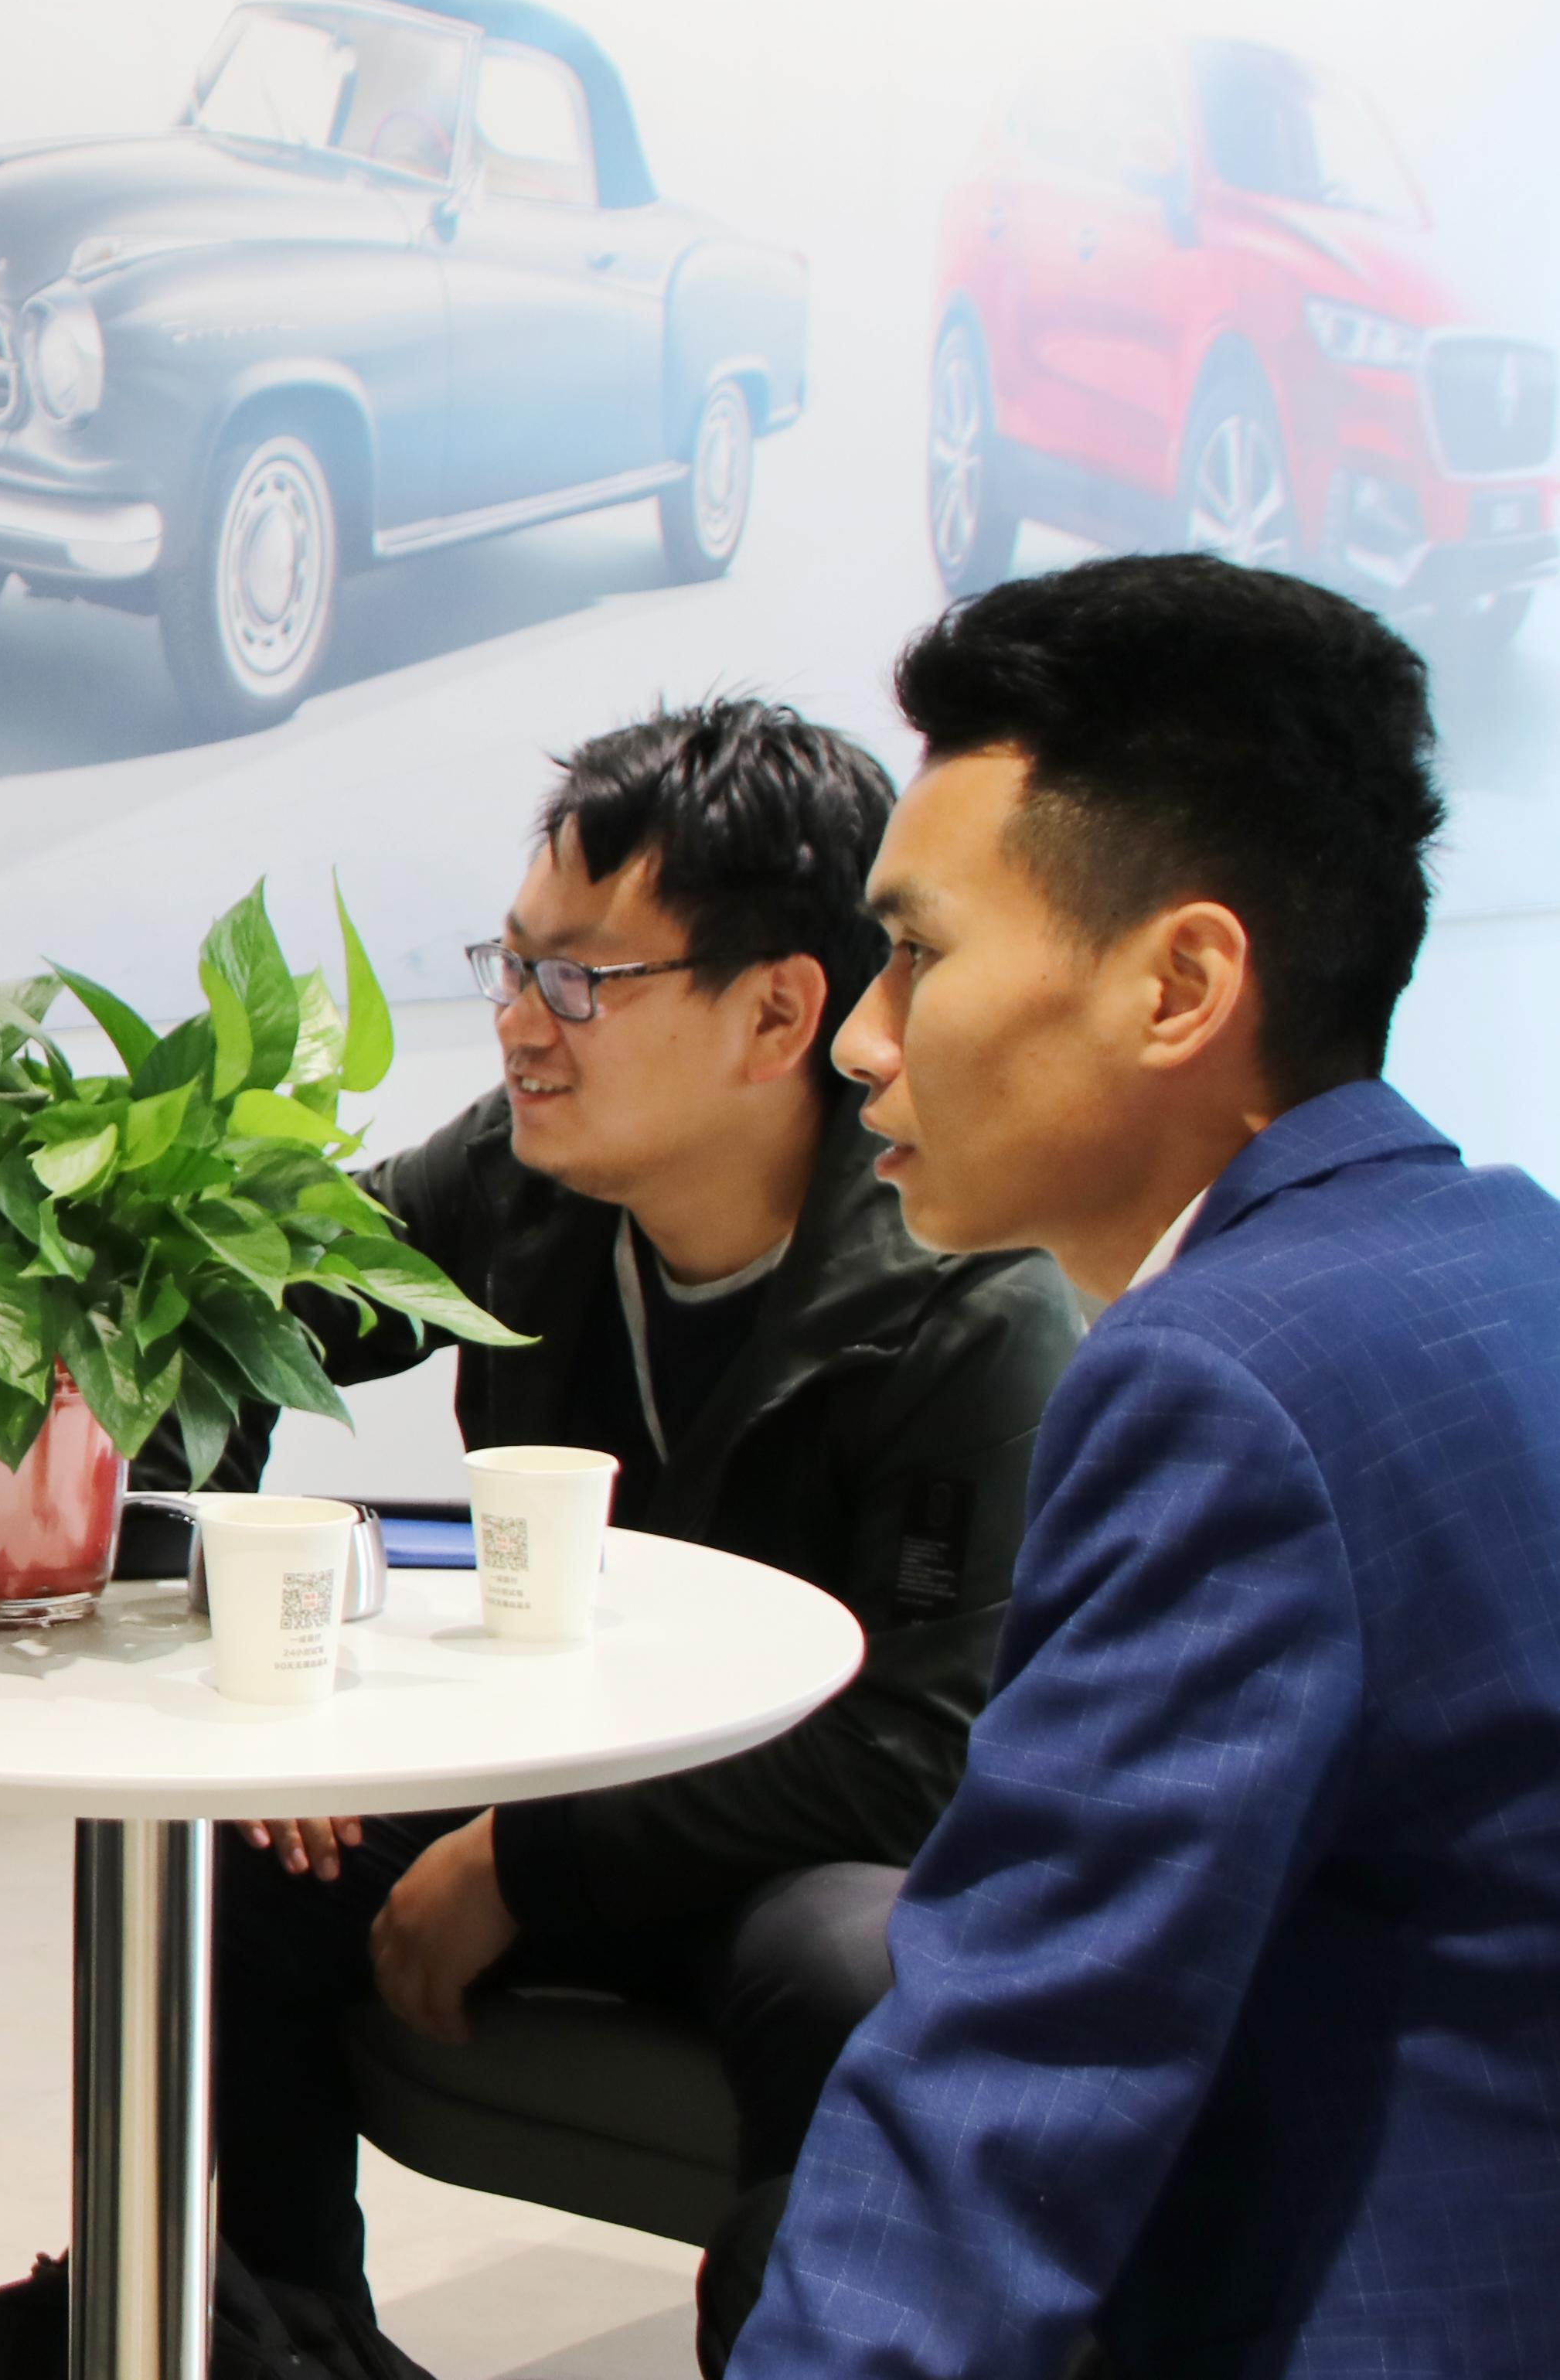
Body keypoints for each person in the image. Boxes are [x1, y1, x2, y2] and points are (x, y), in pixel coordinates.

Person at [133, 701, 1081, 2359]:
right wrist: (236, 1643)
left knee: (840, 1960)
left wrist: (528, 1863)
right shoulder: (524, 1181)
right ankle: (296, 2344)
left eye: (580, 981)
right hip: (577, 1780)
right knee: (242, 1850)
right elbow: (228, 1310)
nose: (519, 1027)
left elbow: (918, 1756)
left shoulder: (966, 1293)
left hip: (797, 1853)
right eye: (510, 967)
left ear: (778, 1010)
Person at [728, 557, 1560, 2378]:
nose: (866, 1034)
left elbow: (1011, 2088)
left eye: (921, 952)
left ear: (1180, 982)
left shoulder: (1223, 1385)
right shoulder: (1511, 1255)